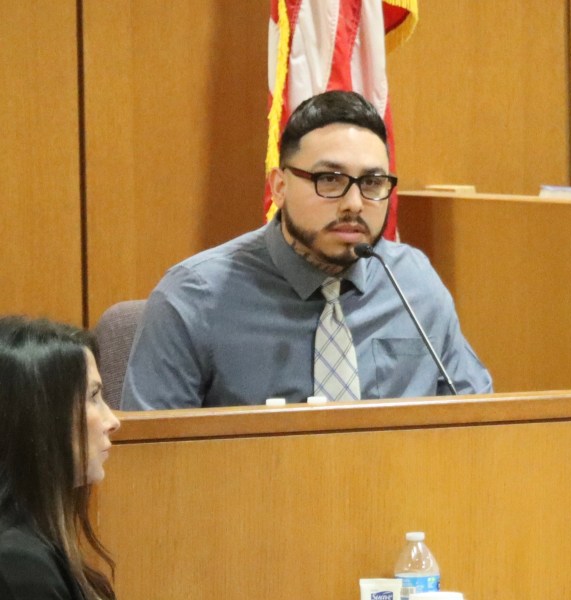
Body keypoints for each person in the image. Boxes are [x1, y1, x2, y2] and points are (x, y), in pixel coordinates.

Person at [122, 90, 491, 410]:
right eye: (329, 179)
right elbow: (154, 464)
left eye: (373, 182)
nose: (354, 204)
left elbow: (476, 420)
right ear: (279, 186)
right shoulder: (194, 298)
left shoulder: (413, 283)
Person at [0, 316, 121, 599]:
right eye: (93, 396)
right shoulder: (18, 570)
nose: (113, 420)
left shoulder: (28, 545)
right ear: (40, 417)